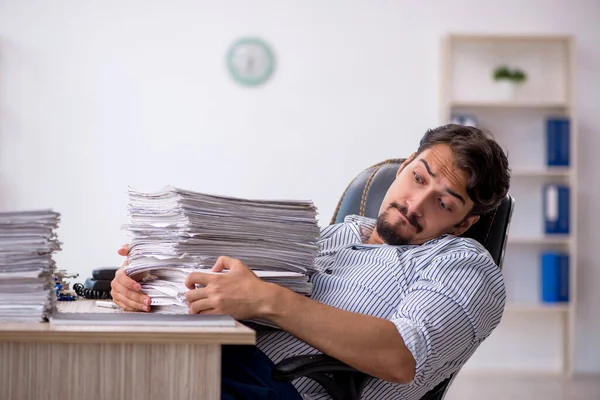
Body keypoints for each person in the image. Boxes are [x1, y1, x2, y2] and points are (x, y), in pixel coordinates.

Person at [111, 124, 511, 400]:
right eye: (418, 178)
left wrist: (268, 300)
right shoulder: (335, 234)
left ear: (464, 223)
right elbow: (226, 289)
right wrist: (148, 282)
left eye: (443, 203)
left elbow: (401, 356)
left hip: (279, 385)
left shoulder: (463, 264)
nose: (415, 204)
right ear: (405, 165)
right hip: (216, 354)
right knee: (95, 362)